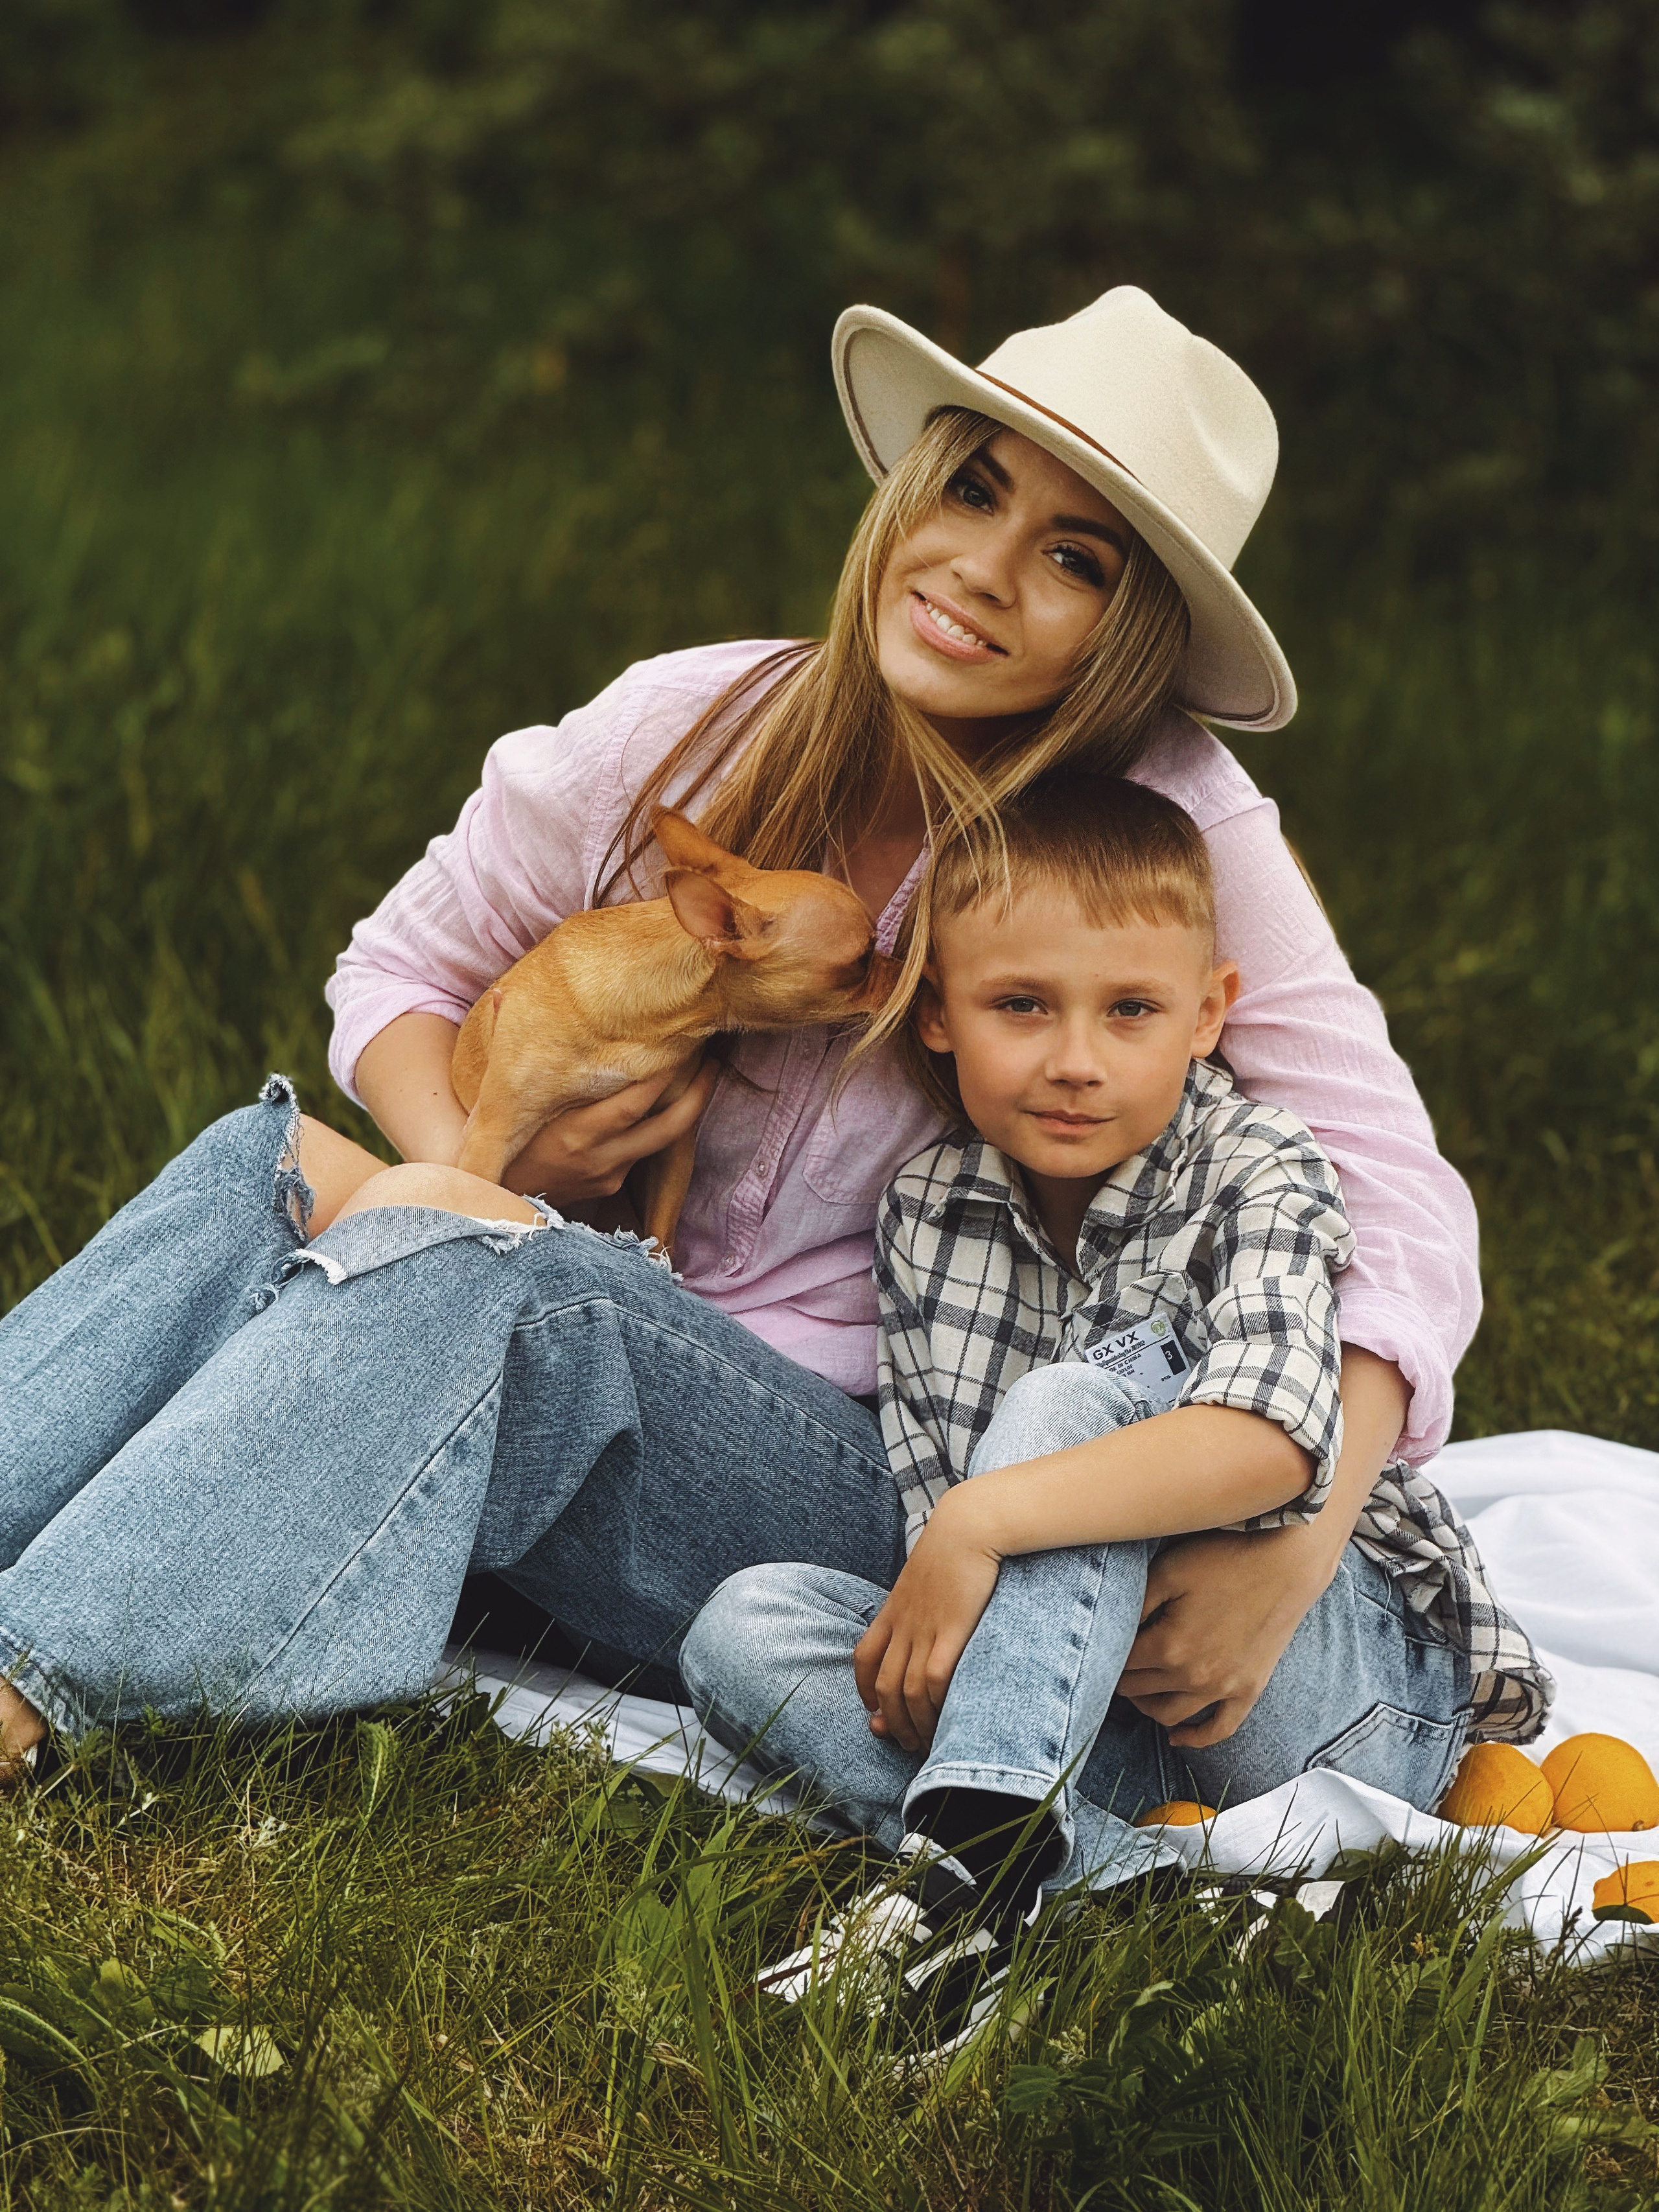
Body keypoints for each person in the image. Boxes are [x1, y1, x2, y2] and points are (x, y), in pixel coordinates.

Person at [0, 287, 1476, 1782]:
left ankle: (35, 1678)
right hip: (584, 1334)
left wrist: (1305, 1535)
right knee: (269, 1165)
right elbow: (399, 967)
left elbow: (1400, 1199)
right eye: (971, 488)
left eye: (1072, 559)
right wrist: (464, 1169)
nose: (980, 568)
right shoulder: (698, 719)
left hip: (865, 1474)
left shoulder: (1156, 831)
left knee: (509, 1292)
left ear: (1130, 637)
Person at [677, 773, 1547, 2063]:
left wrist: (982, 1517)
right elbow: (939, 1510)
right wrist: (967, 1551)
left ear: (1206, 1017)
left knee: (1075, 1402)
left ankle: (961, 1872)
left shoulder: (1260, 1167)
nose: (1075, 1059)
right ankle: (1063, 1866)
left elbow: (1269, 1439)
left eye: (1129, 1010)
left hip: (1309, 1687)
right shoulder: (929, 1206)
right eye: (1019, 1006)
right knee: (740, 1628)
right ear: (936, 1017)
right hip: (1095, 1717)